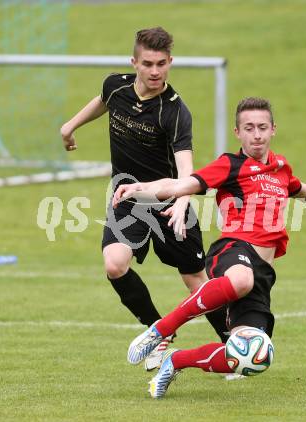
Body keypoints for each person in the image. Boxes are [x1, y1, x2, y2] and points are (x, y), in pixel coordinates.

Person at [113, 97, 306, 398]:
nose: (256, 134)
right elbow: (180, 185)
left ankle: (175, 360)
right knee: (241, 280)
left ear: (273, 129)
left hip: (263, 271)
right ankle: (160, 330)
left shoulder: (281, 168)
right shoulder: (229, 165)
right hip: (232, 249)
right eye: (249, 128)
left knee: (251, 356)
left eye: (262, 127)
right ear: (238, 132)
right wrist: (141, 188)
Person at [60, 27, 228, 370]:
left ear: (170, 62)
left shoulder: (175, 111)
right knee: (114, 264)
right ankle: (158, 334)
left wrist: (182, 203)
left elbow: (186, 170)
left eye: (162, 64)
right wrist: (70, 126)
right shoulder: (116, 85)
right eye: (148, 63)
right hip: (128, 200)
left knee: (196, 281)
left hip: (169, 202)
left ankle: (235, 345)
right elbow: (103, 101)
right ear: (134, 62)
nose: (155, 71)